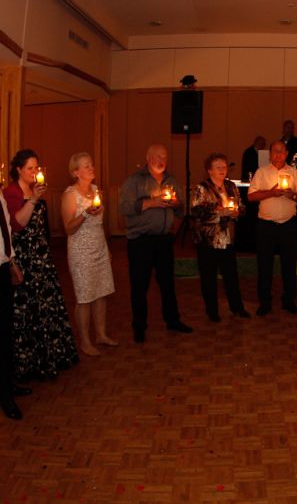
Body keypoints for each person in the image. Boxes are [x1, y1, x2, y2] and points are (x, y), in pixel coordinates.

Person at [5, 149, 80, 379]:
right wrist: (33, 200)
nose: (34, 172)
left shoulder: (35, 189)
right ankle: (30, 364)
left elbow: (41, 227)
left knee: (47, 307)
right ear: (19, 169)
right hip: (25, 259)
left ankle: (52, 357)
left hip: (41, 259)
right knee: (28, 311)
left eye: (36, 168)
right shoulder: (11, 192)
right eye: (30, 168)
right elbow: (17, 225)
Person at [120, 144, 193, 343]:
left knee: (167, 283)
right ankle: (139, 327)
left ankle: (173, 320)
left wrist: (176, 204)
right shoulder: (135, 181)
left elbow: (181, 210)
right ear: (148, 158)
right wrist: (151, 202)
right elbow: (124, 207)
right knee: (140, 285)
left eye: (165, 157)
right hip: (140, 241)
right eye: (158, 156)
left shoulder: (171, 181)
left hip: (164, 240)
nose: (162, 160)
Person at [61, 153, 116, 356]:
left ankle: (101, 334)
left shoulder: (94, 190)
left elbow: (100, 224)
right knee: (84, 297)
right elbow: (68, 228)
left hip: (99, 247)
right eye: (86, 166)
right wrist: (85, 213)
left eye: (91, 164)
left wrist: (107, 248)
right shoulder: (70, 195)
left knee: (101, 292)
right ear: (76, 172)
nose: (92, 168)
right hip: (80, 251)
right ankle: (85, 341)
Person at [248, 141, 297, 315]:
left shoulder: (294, 173)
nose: (278, 154)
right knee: (264, 265)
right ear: (270, 154)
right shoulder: (261, 172)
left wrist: (292, 195)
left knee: (289, 264)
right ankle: (264, 302)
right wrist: (270, 193)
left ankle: (289, 300)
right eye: (275, 151)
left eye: (282, 151)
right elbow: (251, 196)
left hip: (288, 225)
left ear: (287, 153)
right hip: (266, 226)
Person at [190, 153, 250, 322]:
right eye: (218, 167)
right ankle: (212, 311)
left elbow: (242, 207)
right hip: (208, 241)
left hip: (228, 239)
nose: (223, 170)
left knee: (231, 276)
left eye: (224, 167)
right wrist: (219, 213)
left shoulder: (231, 186)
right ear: (209, 171)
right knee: (209, 278)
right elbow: (196, 213)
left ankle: (237, 307)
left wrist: (237, 212)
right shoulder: (202, 188)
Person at [1, 188, 31, 420]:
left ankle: (8, 385)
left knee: (6, 331)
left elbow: (5, 230)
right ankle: (5, 396)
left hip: (2, 266)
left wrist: (12, 262)